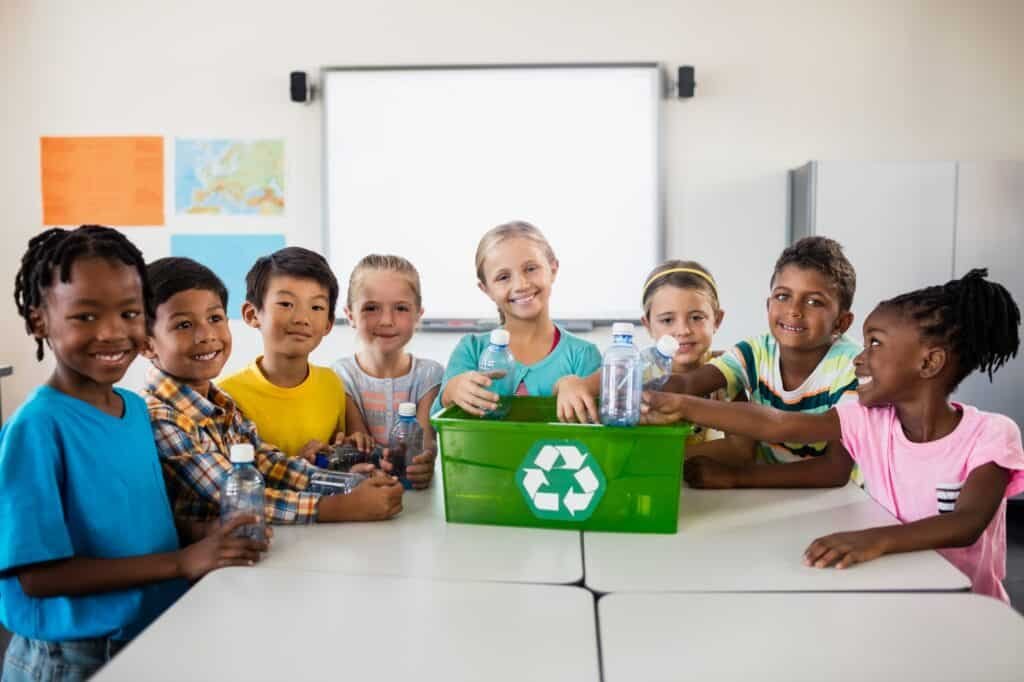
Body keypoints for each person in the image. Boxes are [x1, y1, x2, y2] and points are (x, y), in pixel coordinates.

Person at [642, 269, 1024, 601]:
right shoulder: (868, 420)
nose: (859, 357)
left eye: (875, 344)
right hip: (891, 585)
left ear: (929, 362)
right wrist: (679, 404)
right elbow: (778, 424)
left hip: (966, 603)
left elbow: (967, 523)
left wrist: (874, 540)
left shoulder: (991, 435)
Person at [1, 226, 267, 681]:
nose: (112, 332)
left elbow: (133, 515)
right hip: (73, 655)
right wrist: (182, 561)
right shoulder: (37, 427)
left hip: (144, 628)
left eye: (129, 313)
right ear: (39, 320)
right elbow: (38, 576)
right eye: (85, 316)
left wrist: (201, 532)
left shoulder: (134, 408)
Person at [142, 257, 403, 527]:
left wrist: (348, 484)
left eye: (215, 318)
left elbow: (267, 463)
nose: (206, 335)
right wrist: (338, 506)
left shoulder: (220, 402)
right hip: (218, 551)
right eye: (184, 325)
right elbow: (235, 496)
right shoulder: (160, 416)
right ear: (146, 344)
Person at [433, 221, 601, 416]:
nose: (521, 285)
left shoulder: (583, 355)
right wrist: (451, 391)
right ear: (486, 289)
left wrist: (579, 387)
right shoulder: (471, 350)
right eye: (503, 277)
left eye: (530, 269)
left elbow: (600, 422)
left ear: (553, 269)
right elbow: (436, 420)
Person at [220, 246, 372, 462]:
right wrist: (300, 464)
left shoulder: (332, 384)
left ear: (328, 324)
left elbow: (337, 456)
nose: (302, 318)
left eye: (316, 307)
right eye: (286, 304)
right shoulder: (226, 397)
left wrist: (343, 450)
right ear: (252, 314)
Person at [333, 254, 442, 489]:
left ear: (418, 315)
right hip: (365, 494)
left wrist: (423, 464)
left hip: (416, 495)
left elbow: (422, 447)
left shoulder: (430, 376)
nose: (386, 320)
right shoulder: (341, 376)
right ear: (350, 315)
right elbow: (362, 451)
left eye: (401, 308)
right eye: (371, 308)